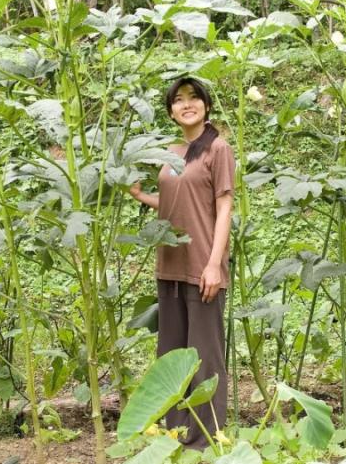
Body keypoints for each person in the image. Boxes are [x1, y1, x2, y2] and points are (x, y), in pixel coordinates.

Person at [129, 76, 235, 449]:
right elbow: (178, 201)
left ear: (206, 105)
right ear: (171, 110)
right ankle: (175, 433)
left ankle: (204, 439)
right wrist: (144, 196)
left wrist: (214, 264)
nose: (186, 104)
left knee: (204, 357)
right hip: (169, 263)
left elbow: (223, 208)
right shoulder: (171, 151)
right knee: (171, 353)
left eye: (193, 97)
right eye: (178, 99)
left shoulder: (217, 148)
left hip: (202, 266)